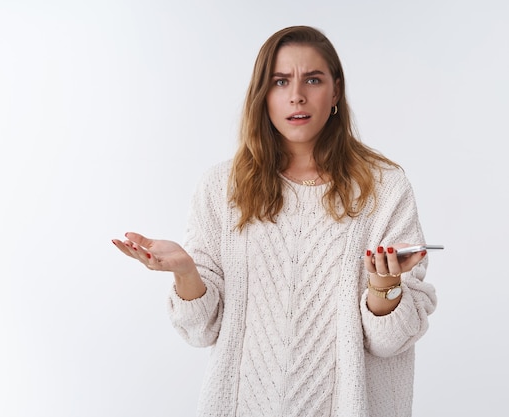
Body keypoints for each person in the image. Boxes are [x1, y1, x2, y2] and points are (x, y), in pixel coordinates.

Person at [112, 25, 437, 417]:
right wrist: (185, 272)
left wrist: (385, 284)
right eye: (280, 81)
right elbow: (201, 331)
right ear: (263, 95)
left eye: (312, 79)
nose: (297, 95)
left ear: (335, 91)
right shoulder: (221, 188)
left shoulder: (384, 188)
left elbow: (391, 343)